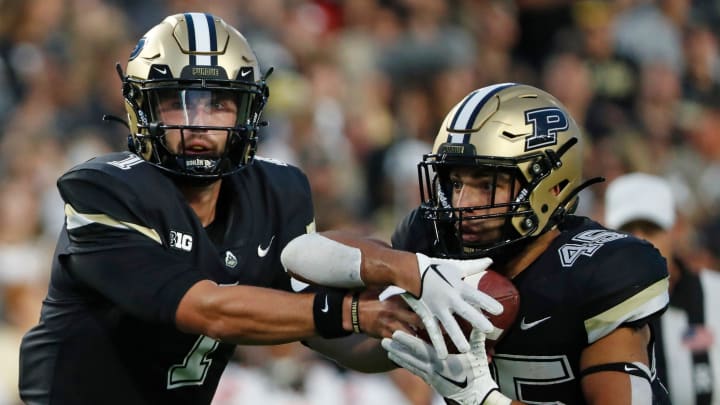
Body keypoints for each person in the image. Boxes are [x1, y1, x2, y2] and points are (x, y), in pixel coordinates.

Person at [17, 13, 501, 405]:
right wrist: (373, 299)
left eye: (219, 105)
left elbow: (327, 334)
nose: (198, 124)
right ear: (141, 109)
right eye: (177, 104)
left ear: (246, 111)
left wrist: (410, 343)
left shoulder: (276, 189)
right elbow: (209, 309)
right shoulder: (103, 190)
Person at [282, 83, 672, 404]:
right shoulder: (436, 244)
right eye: (455, 183)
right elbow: (308, 261)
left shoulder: (598, 270)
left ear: (549, 186)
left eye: (486, 184)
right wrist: (401, 271)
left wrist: (485, 401)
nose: (462, 204)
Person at [605, 172, 717, 405]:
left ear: (676, 229)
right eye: (627, 230)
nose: (639, 241)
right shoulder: (597, 308)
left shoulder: (714, 294)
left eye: (650, 229)